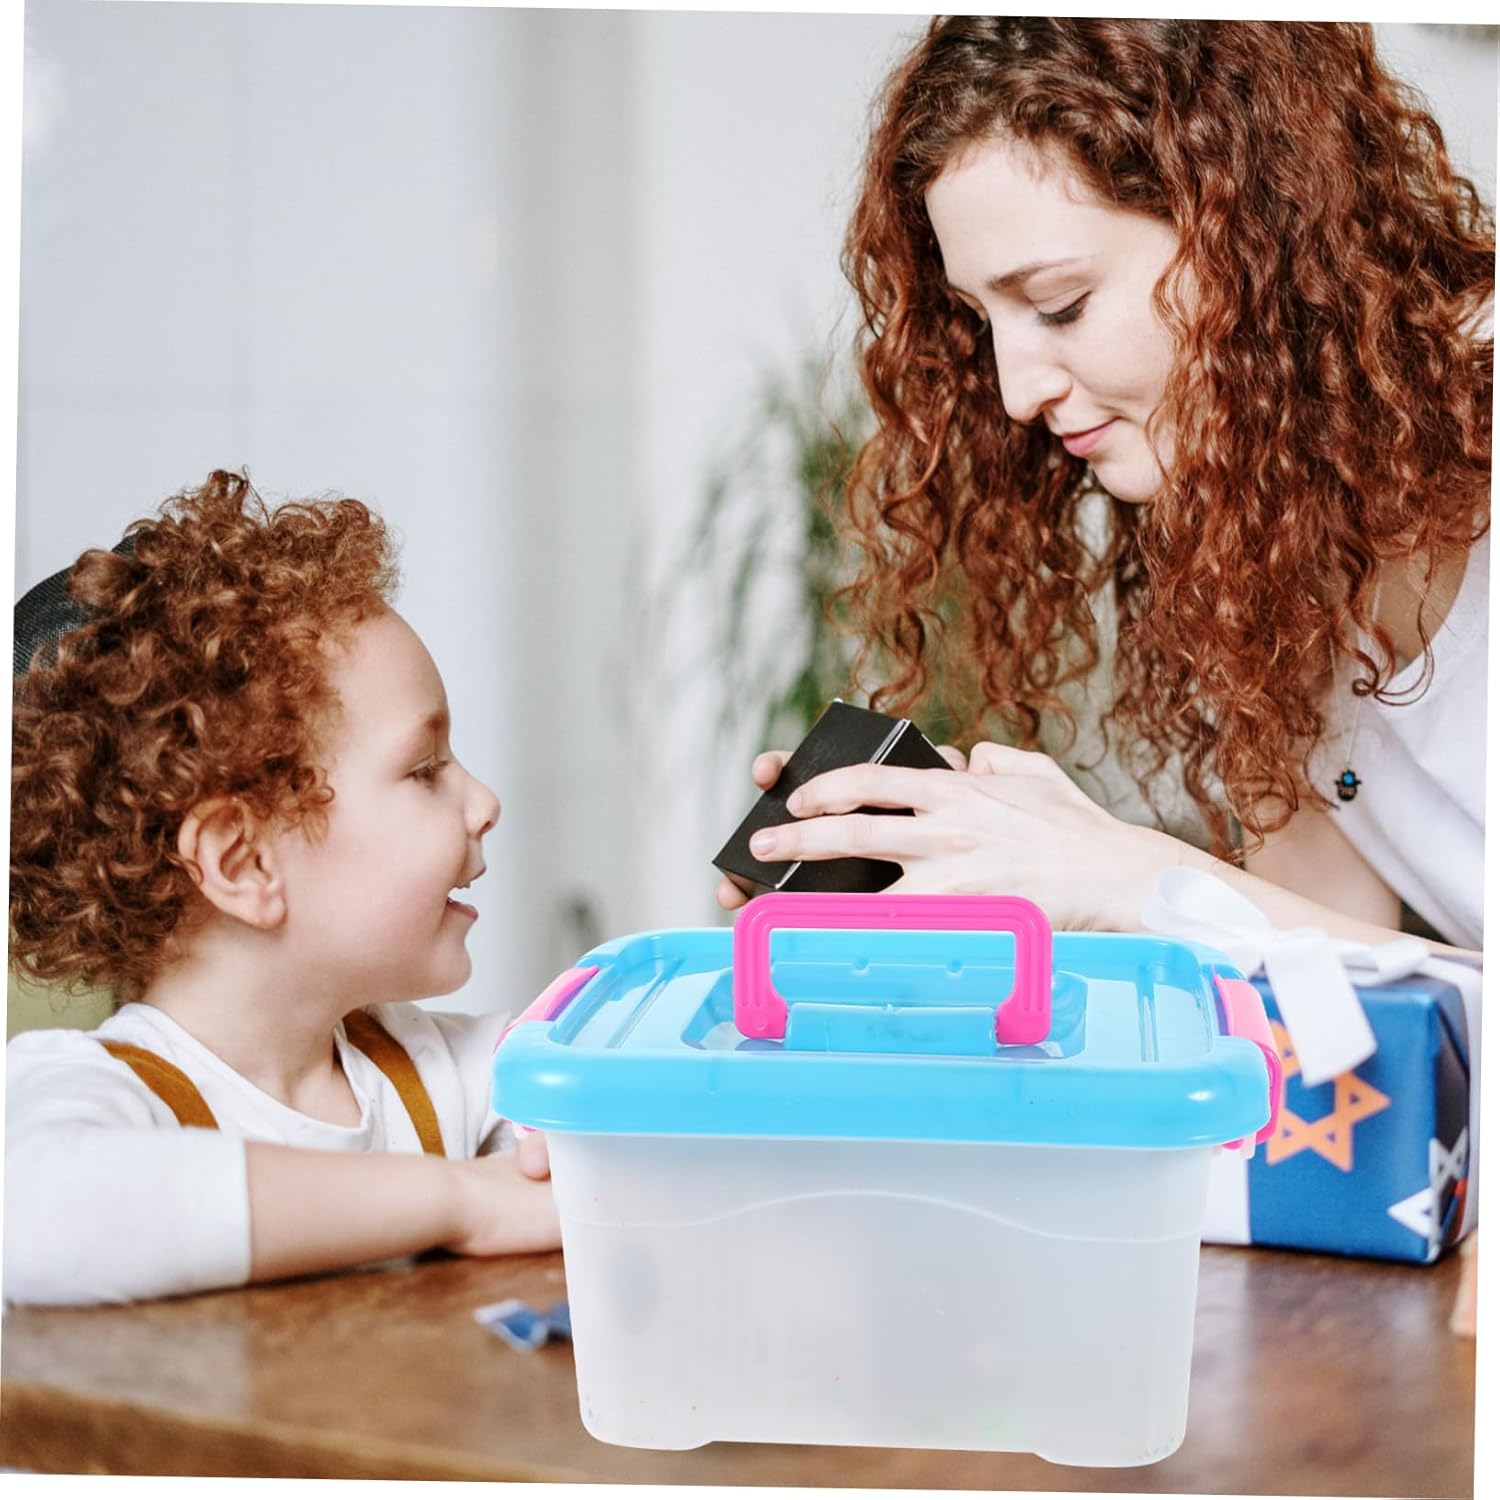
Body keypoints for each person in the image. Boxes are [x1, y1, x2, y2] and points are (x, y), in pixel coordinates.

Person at [718, 19, 1491, 964]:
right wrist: (999, 862)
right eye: (982, 321)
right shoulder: (1264, 540)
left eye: (1060, 306)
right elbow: (1330, 992)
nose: (1015, 392)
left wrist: (1128, 877)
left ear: (1256, 230)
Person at [6, 470, 560, 1307]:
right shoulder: (102, 1091)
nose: (484, 802)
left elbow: (619, 1083)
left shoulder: (435, 1071)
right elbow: (42, 1215)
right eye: (423, 770)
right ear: (242, 864)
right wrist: (463, 1203)